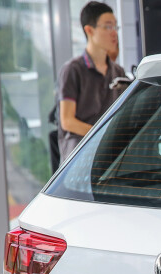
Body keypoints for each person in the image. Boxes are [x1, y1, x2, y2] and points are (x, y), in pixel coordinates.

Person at [56, 2, 126, 162]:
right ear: (89, 30)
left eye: (116, 27)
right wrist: (103, 133)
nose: (114, 33)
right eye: (108, 27)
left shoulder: (118, 72)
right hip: (78, 159)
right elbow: (67, 121)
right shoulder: (72, 70)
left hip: (109, 156)